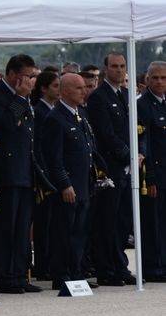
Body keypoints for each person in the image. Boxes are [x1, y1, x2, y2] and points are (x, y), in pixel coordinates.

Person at [0, 55, 43, 294]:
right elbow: (7, 125)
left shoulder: (24, 97)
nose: (29, 81)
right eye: (26, 75)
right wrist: (20, 98)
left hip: (25, 170)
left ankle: (20, 274)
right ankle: (5, 276)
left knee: (21, 229)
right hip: (7, 171)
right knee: (7, 227)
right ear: (13, 75)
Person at [42, 74, 102, 290]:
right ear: (65, 91)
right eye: (78, 88)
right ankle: (61, 274)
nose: (84, 91)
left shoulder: (80, 115)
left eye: (84, 88)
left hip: (83, 186)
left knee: (79, 234)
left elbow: (88, 150)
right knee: (63, 233)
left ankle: (76, 272)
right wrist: (64, 184)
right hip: (68, 188)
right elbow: (53, 158)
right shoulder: (55, 118)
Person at [85, 53, 137, 286]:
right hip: (112, 167)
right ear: (105, 69)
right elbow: (106, 135)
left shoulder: (126, 95)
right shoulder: (99, 97)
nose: (119, 70)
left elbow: (138, 129)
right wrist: (130, 156)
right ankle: (106, 269)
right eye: (114, 66)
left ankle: (120, 266)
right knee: (108, 220)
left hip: (129, 168)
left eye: (122, 66)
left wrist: (138, 154)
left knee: (123, 221)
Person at [137, 62, 166, 283]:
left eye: (163, 78)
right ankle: (152, 266)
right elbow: (144, 144)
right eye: (155, 78)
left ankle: (163, 263)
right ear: (147, 80)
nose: (159, 82)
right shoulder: (142, 105)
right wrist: (150, 178)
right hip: (154, 173)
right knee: (151, 223)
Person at [31, 71, 60, 281]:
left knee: (52, 223)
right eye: (55, 85)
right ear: (43, 88)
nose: (58, 89)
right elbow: (39, 145)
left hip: (53, 173)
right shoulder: (40, 111)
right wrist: (44, 173)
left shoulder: (53, 109)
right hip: (45, 174)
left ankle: (49, 261)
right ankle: (42, 264)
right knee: (44, 223)